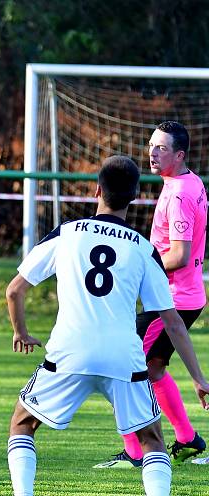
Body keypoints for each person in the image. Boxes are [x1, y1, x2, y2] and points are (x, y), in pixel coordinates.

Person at [5, 155, 209, 496]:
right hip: (123, 358)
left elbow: (14, 291)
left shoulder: (67, 234)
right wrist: (199, 378)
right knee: (152, 439)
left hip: (69, 353)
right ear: (134, 198)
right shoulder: (144, 249)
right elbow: (172, 321)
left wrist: (20, 332)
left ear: (96, 190)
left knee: (22, 424)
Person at [94, 122, 209, 469]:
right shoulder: (188, 182)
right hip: (184, 293)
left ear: (180, 154)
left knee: (121, 365)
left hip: (172, 298)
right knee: (153, 367)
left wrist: (139, 265)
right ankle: (189, 440)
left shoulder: (178, 194)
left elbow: (179, 255)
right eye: (151, 146)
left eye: (162, 148)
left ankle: (135, 451)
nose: (153, 153)